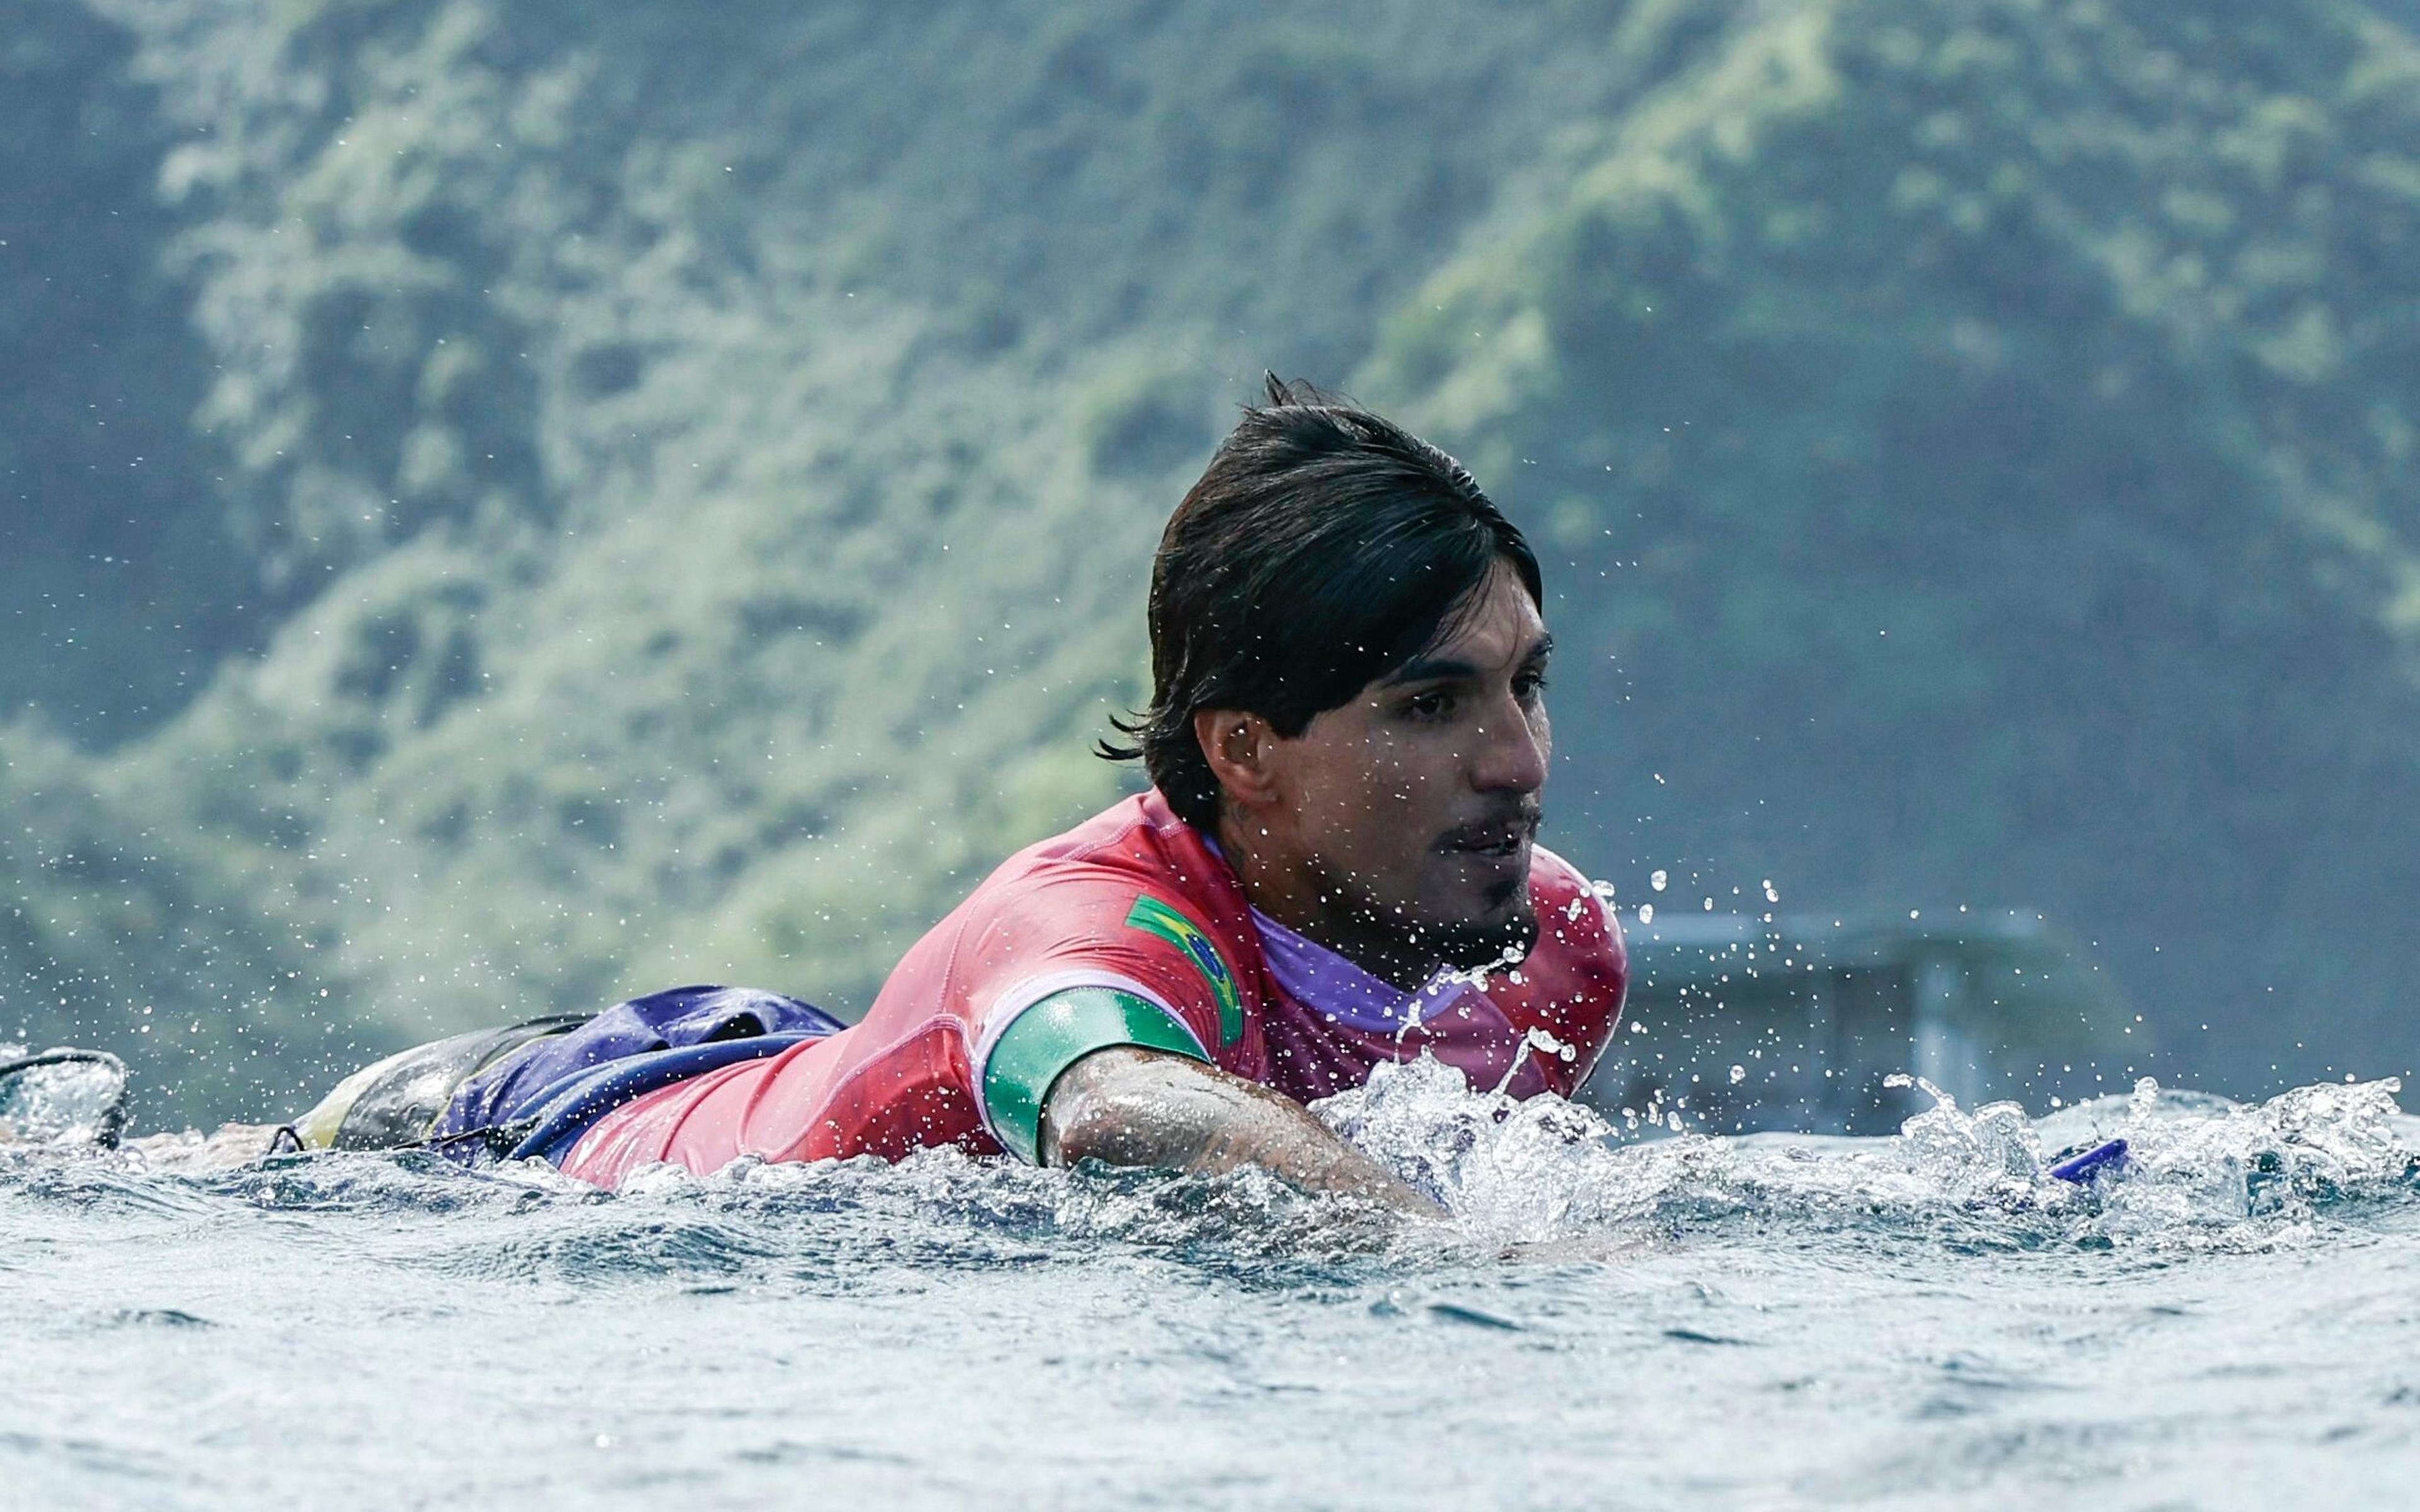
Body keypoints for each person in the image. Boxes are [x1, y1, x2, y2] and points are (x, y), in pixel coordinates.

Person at [179, 378, 1631, 1211]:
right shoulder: (1088, 936)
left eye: (1528, 684)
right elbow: (1121, 1111)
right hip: (534, 1129)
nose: (1517, 760)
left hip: (816, 1063)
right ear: (1245, 752)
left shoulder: (1556, 952)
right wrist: (1458, 1259)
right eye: (1431, 706)